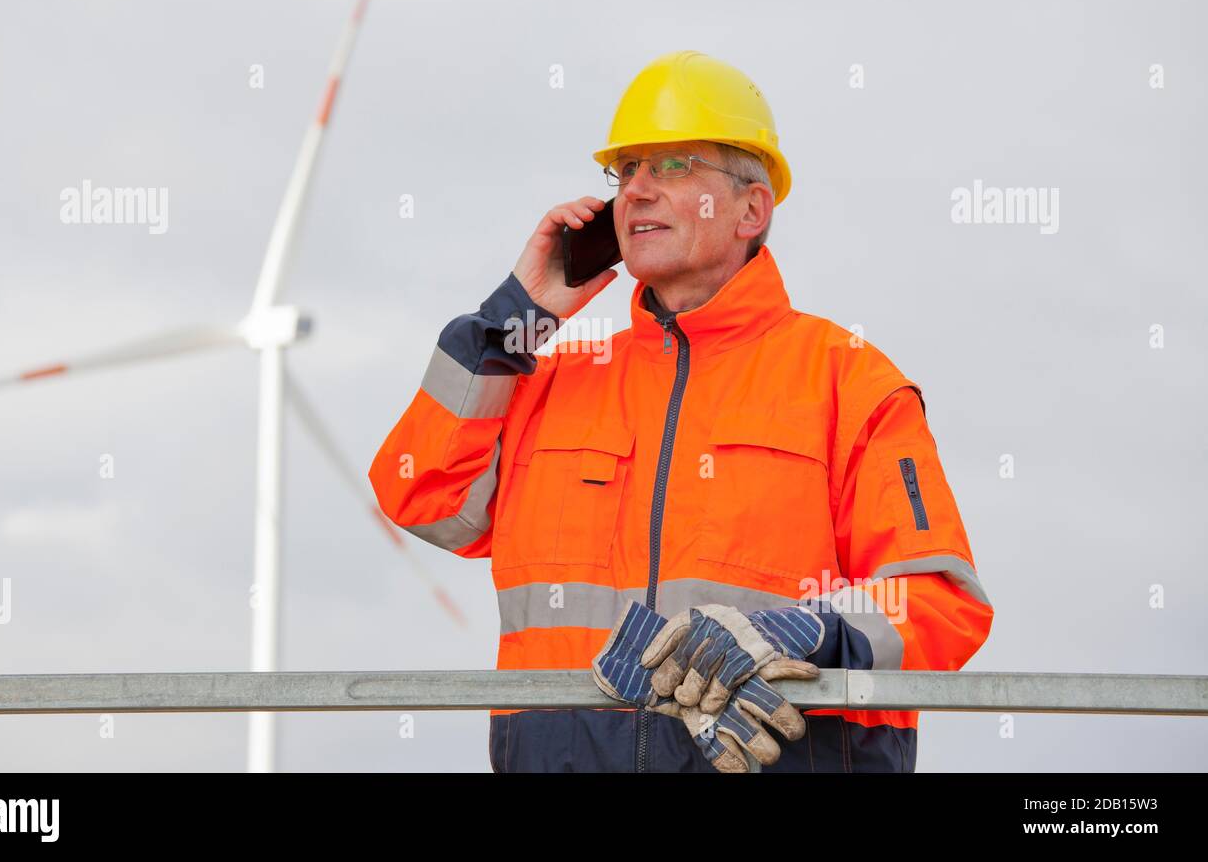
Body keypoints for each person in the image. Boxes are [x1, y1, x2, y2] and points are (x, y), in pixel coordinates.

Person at [368, 50, 993, 772]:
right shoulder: (549, 379)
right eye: (625, 171)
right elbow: (420, 494)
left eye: (672, 167)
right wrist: (514, 320)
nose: (635, 191)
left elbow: (942, 604)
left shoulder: (848, 378)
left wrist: (802, 635)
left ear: (752, 208)